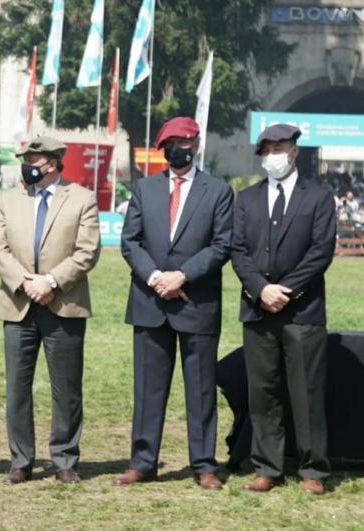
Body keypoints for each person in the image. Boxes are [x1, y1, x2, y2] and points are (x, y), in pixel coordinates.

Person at [113, 116, 234, 491]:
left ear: (196, 145)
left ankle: (204, 464)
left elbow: (222, 244)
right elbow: (130, 242)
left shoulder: (218, 191)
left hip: (196, 301)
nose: (175, 151)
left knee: (200, 389)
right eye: (169, 145)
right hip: (150, 302)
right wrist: (155, 278)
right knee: (148, 389)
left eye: (183, 143)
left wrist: (181, 275)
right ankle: (143, 461)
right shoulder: (144, 188)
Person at [231, 124, 336, 495]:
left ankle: (313, 470)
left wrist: (286, 291)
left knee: (307, 393)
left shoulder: (319, 196)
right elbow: (238, 252)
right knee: (263, 392)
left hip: (302, 312)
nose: (273, 154)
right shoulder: (246, 199)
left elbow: (321, 251)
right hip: (258, 311)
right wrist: (261, 289)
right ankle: (267, 467)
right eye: (267, 149)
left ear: (294, 151)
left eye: (279, 147)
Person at [0, 136, 101, 485]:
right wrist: (26, 283)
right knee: (17, 388)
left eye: (32, 159)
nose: (26, 164)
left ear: (51, 163)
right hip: (18, 304)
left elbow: (87, 252)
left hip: (63, 304)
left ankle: (65, 459)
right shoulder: (9, 200)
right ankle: (21, 460)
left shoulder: (82, 198)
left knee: (66, 388)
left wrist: (50, 282)